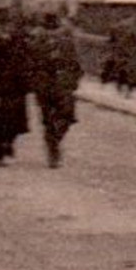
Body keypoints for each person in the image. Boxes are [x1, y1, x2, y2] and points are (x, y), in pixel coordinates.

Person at [30, 13, 83, 168]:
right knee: (49, 120)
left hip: (63, 85)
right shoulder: (37, 43)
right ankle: (53, 151)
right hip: (45, 87)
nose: (53, 33)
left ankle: (54, 141)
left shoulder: (67, 42)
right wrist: (36, 84)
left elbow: (75, 63)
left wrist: (73, 82)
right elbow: (32, 66)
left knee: (68, 115)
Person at [0, 12, 32, 166]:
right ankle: (1, 153)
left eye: (7, 23)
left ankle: (9, 143)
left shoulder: (18, 41)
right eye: (0, 23)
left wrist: (27, 84)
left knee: (14, 122)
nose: (4, 27)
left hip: (16, 89)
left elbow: (26, 63)